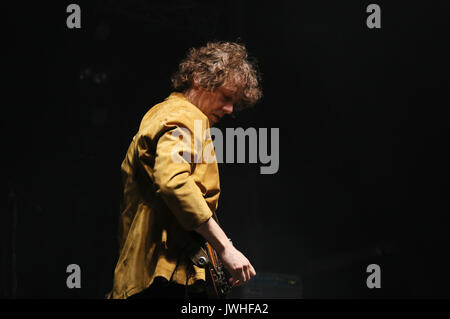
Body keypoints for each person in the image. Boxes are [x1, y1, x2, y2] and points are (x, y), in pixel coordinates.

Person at [107, 41, 262, 299]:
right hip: (165, 279)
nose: (230, 110)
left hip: (147, 276)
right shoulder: (185, 116)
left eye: (234, 103)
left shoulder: (163, 113)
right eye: (226, 97)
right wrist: (225, 248)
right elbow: (173, 182)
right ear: (200, 79)